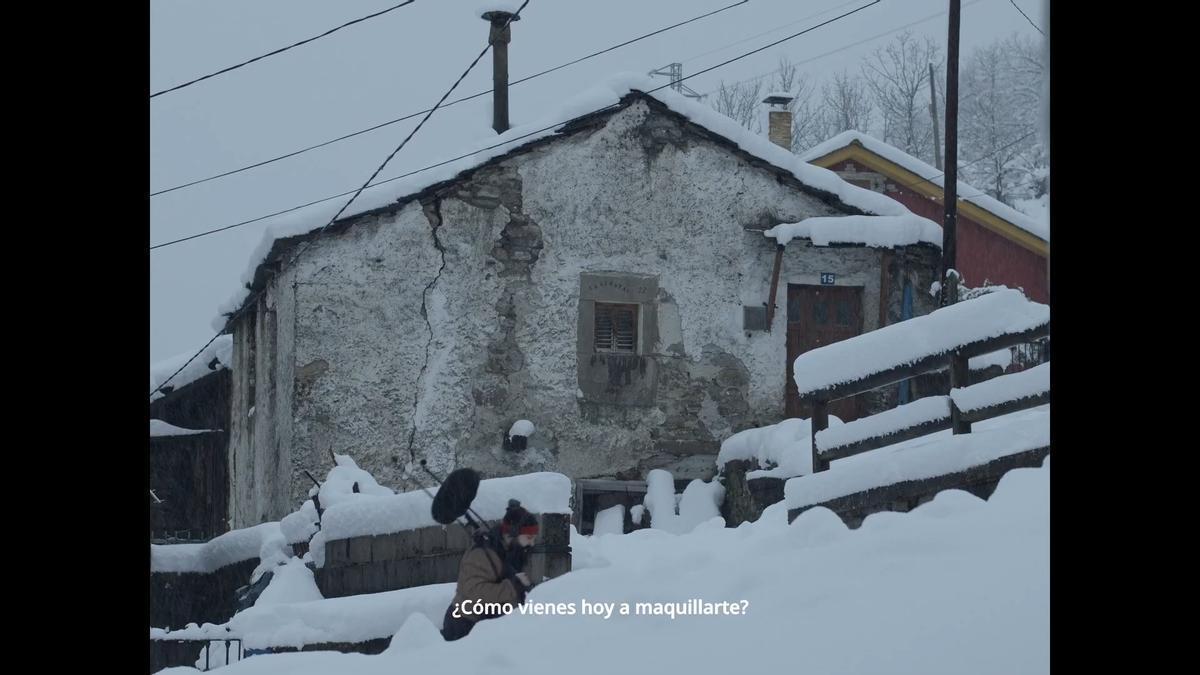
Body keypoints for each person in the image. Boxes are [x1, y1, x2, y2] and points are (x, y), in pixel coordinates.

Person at [441, 500, 539, 641]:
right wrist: (514, 587)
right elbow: (474, 592)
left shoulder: (508, 552)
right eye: (529, 538)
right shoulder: (481, 554)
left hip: (489, 624)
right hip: (463, 626)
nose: (532, 543)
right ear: (512, 533)